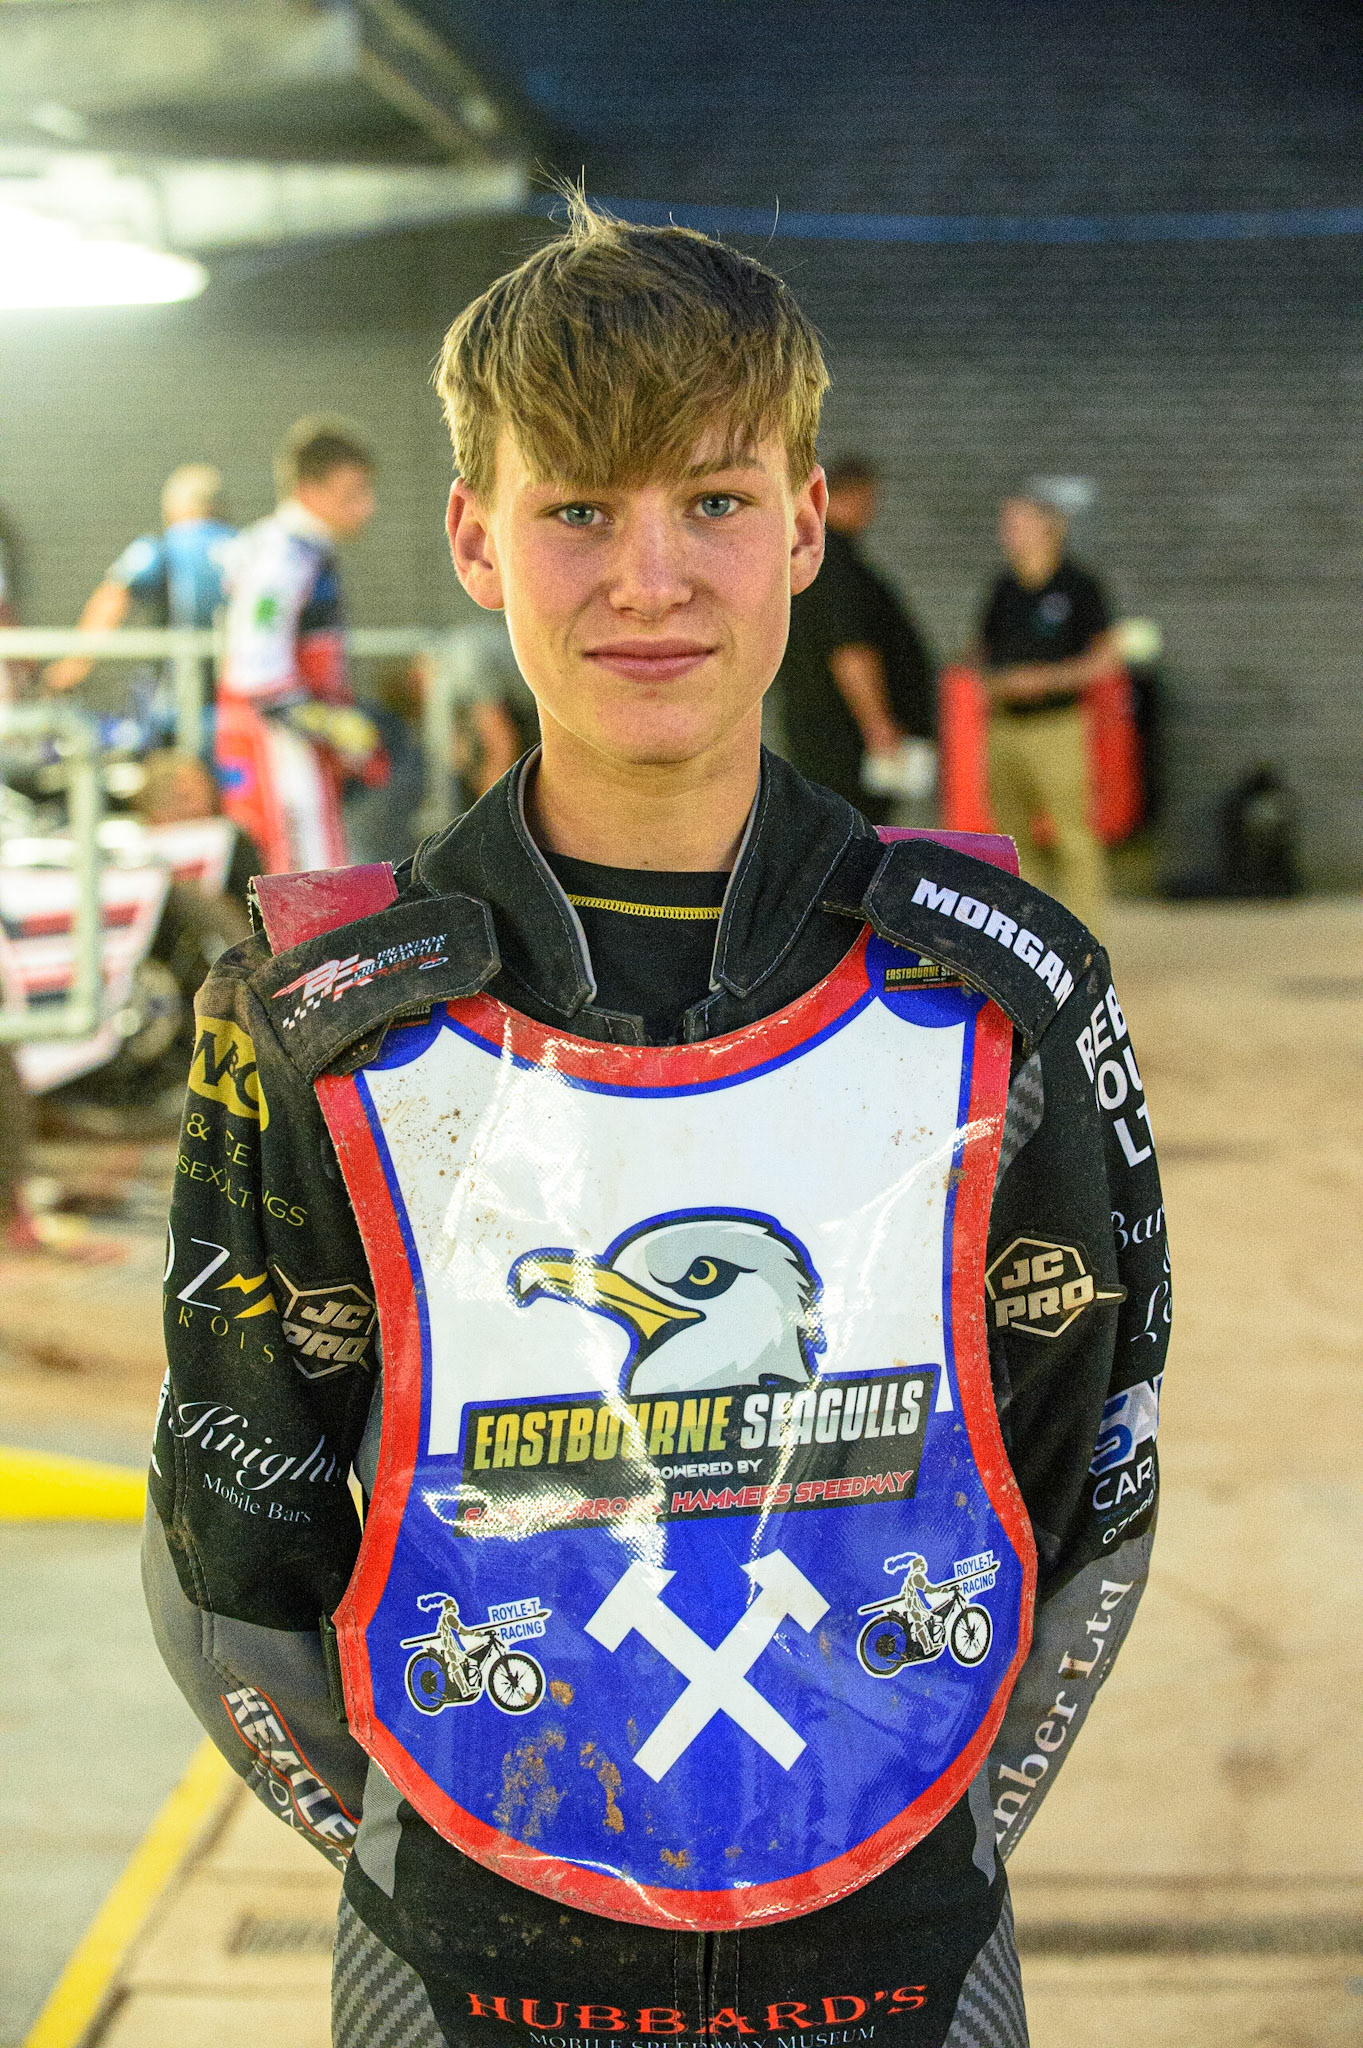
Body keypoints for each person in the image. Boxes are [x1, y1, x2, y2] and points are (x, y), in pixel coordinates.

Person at [145, 201, 1169, 2048]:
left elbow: (1085, 1480)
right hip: (459, 1959)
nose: (648, 579)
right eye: (574, 510)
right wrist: (455, 1853)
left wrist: (905, 1827)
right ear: (473, 536)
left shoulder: (998, 988)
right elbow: (234, 1551)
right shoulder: (312, 1015)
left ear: (803, 524)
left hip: (902, 1947)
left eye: (710, 500)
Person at [215, 419, 384, 874]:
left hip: (291, 741)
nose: (367, 506)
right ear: (309, 490)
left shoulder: (299, 549)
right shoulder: (285, 555)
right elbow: (258, 672)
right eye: (353, 493)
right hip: (278, 749)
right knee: (306, 879)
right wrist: (332, 724)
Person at [979, 492, 1117, 931]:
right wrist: (992, 679)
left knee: (1073, 833)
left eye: (1018, 524)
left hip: (1057, 726)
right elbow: (981, 652)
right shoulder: (1003, 588)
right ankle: (1026, 937)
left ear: (1049, 528)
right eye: (1006, 525)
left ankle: (1085, 939)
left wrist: (1046, 679)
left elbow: (1106, 659)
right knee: (1012, 839)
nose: (1007, 534)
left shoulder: (1079, 586)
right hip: (1004, 725)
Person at [773, 453, 935, 816]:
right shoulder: (838, 568)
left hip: (818, 733)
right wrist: (878, 726)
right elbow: (851, 651)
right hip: (846, 743)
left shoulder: (808, 562)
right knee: (857, 828)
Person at [44, 463, 235, 739]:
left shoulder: (161, 548)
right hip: (238, 705)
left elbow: (112, 599)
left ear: (172, 509)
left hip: (175, 705)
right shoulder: (247, 547)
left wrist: (74, 665)